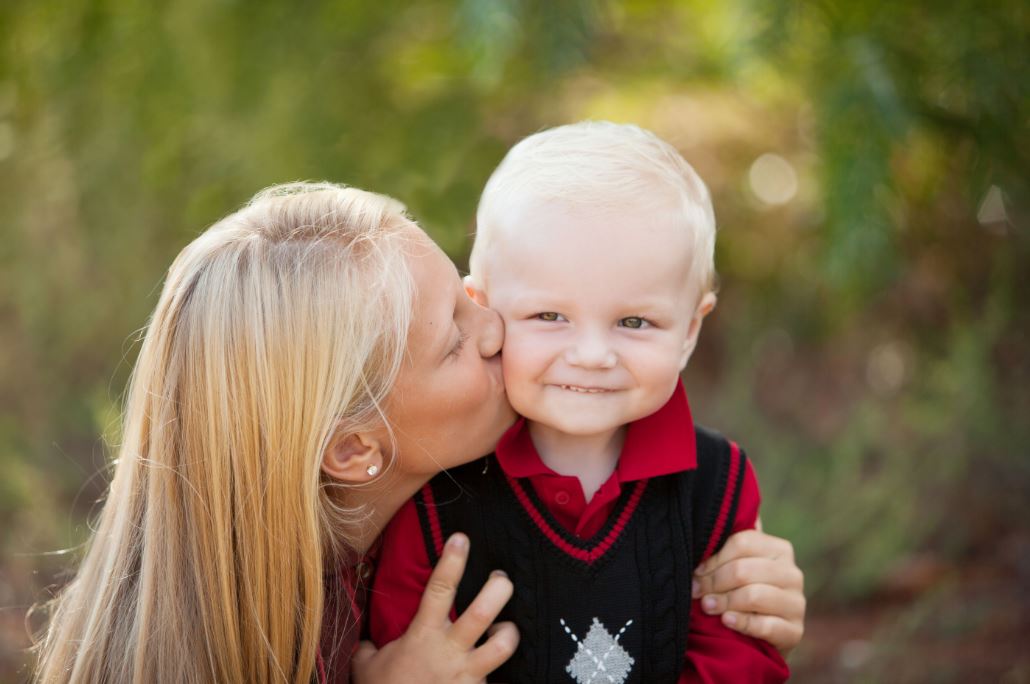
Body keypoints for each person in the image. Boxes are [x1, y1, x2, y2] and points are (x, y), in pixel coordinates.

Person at [32, 182, 803, 684]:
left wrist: (737, 590)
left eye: (473, 300)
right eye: (456, 341)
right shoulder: (227, 652)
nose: (499, 329)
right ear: (356, 450)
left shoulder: (459, 499)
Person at [369, 122, 798, 682]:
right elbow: (407, 651)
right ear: (484, 310)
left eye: (634, 321)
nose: (593, 354)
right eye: (549, 316)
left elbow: (740, 651)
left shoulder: (716, 484)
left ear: (690, 331)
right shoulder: (438, 489)